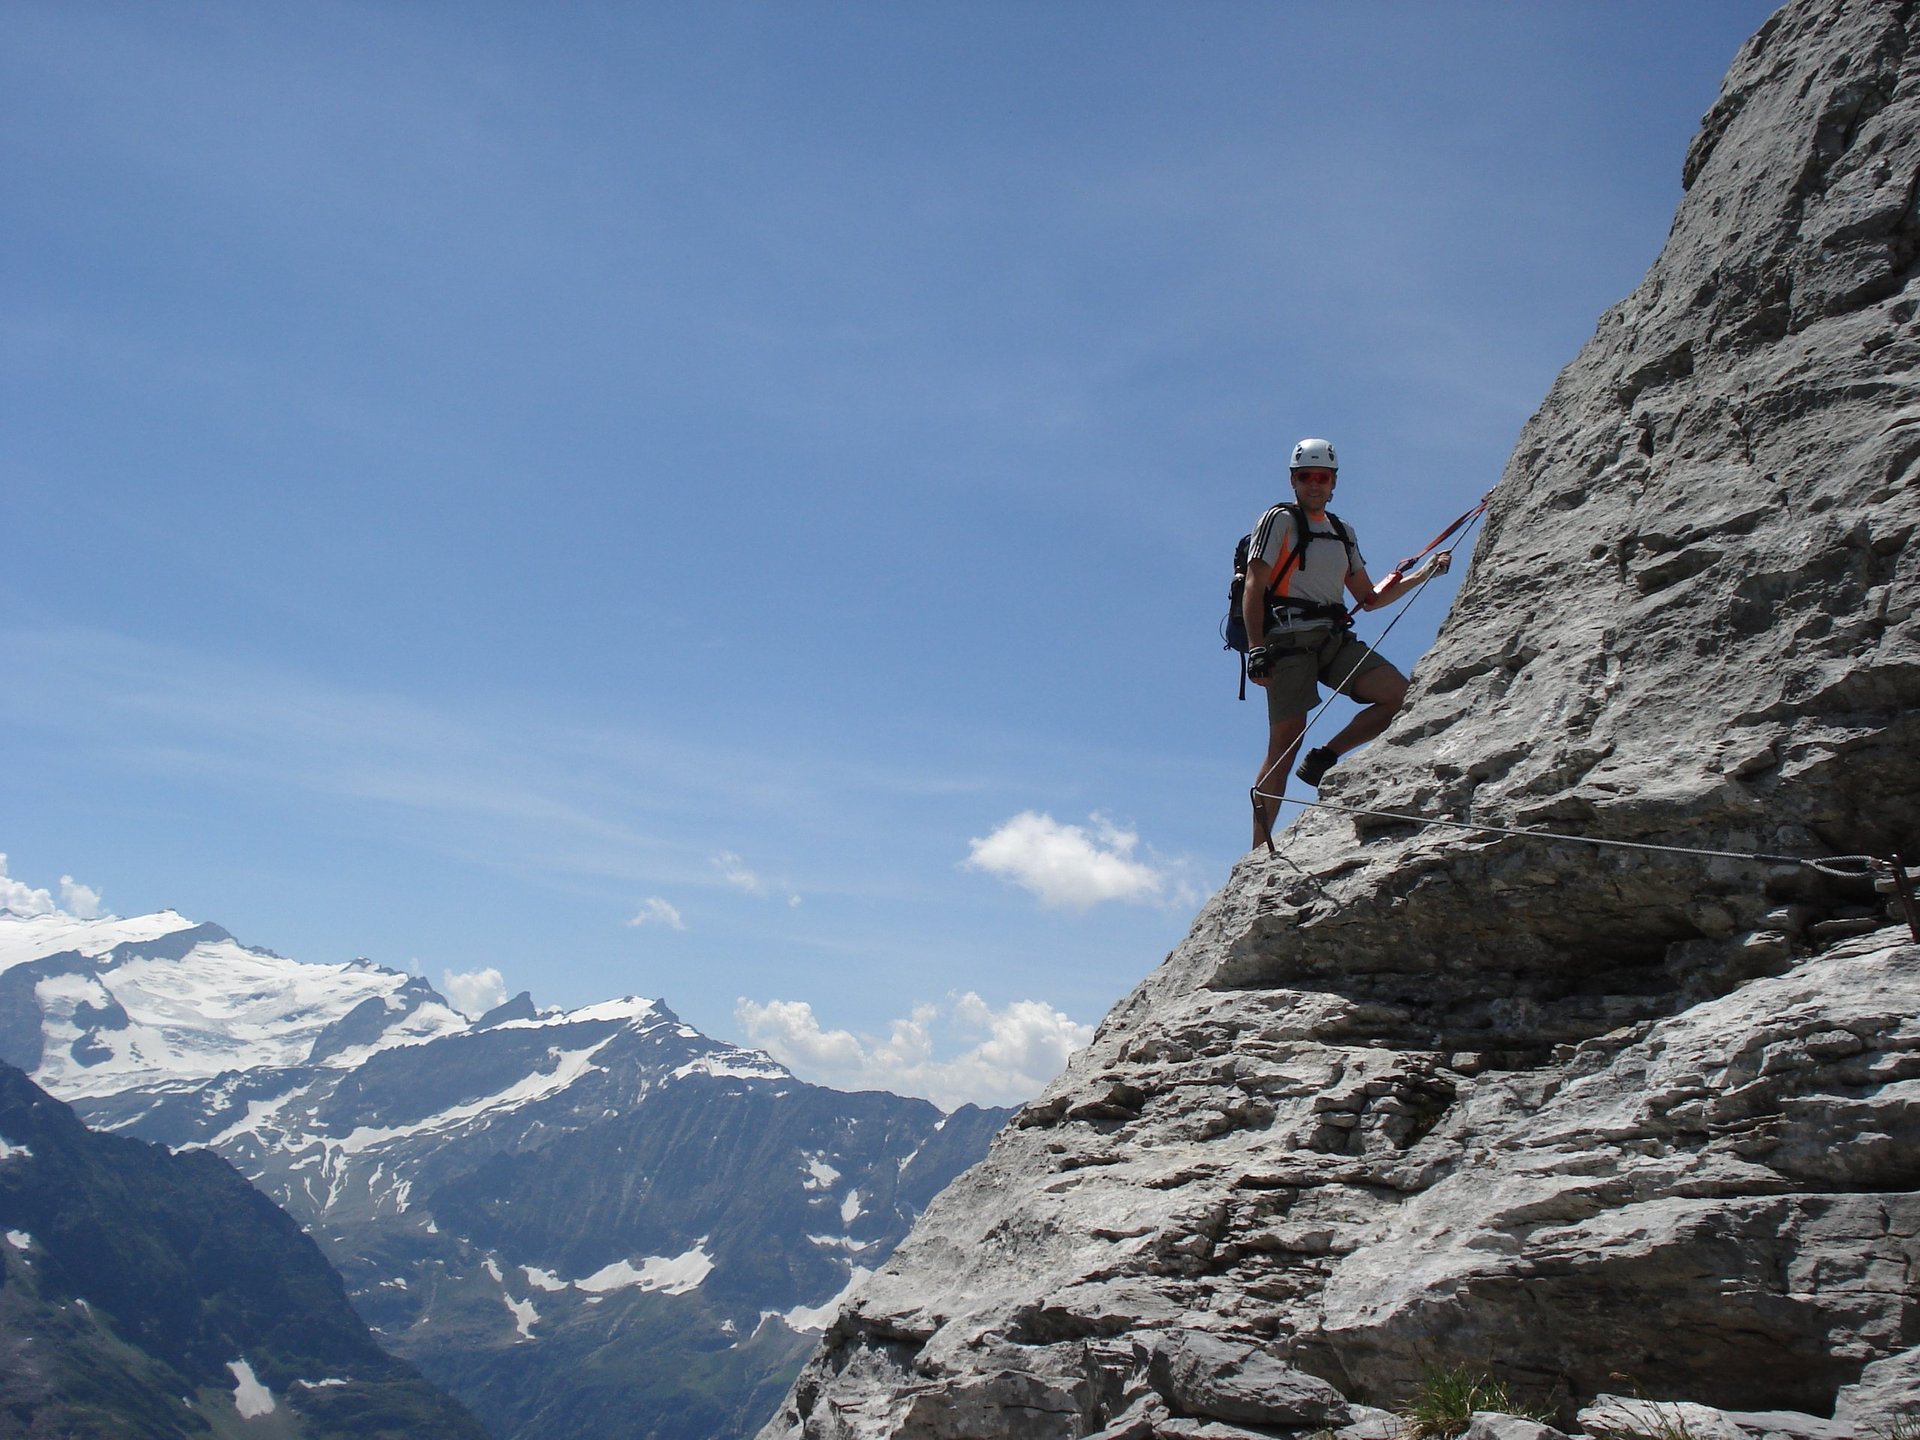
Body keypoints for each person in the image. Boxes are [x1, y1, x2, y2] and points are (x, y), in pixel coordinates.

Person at [1242, 437, 1451, 849]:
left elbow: (1368, 599)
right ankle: (1258, 854)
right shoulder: (1278, 520)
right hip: (1287, 640)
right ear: (1293, 480)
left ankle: (1325, 756)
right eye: (1306, 477)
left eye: (1322, 477)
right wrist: (1256, 649)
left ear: (1333, 481)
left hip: (1334, 637)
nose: (1314, 484)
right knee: (1284, 747)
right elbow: (1255, 583)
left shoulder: (1342, 531)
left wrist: (1425, 574)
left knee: (1398, 697)